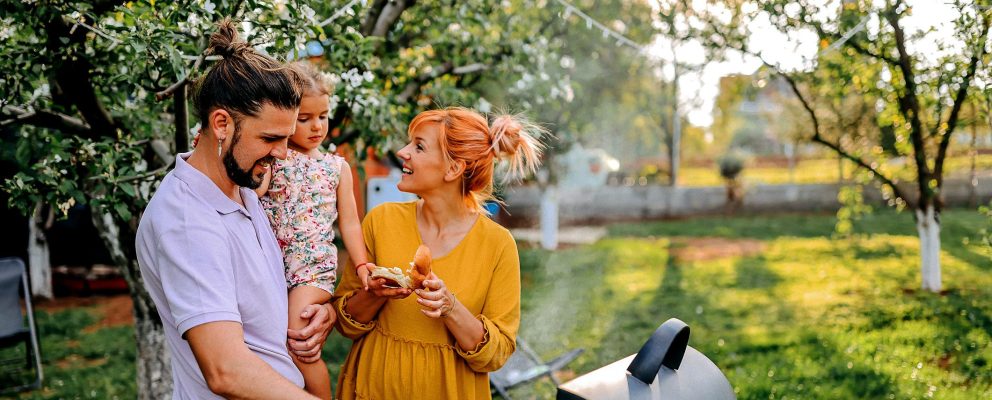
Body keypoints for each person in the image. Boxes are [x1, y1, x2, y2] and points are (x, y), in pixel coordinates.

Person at [135, 18, 333, 399]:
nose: (282, 154)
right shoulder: (187, 222)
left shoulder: (241, 186)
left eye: (286, 138)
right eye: (270, 138)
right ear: (222, 123)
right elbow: (226, 371)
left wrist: (322, 315)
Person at [331, 107, 544, 399]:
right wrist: (374, 293)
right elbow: (345, 324)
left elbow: (496, 355)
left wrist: (450, 308)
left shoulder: (497, 245)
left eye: (419, 146)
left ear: (453, 168)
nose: (403, 152)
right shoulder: (381, 221)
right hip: (371, 388)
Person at [255, 61, 374, 399]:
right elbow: (255, 194)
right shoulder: (274, 158)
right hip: (271, 266)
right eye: (304, 119)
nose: (316, 126)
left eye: (322, 116)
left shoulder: (336, 167)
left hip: (311, 270)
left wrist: (362, 263)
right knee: (273, 347)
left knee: (298, 342)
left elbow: (349, 221)